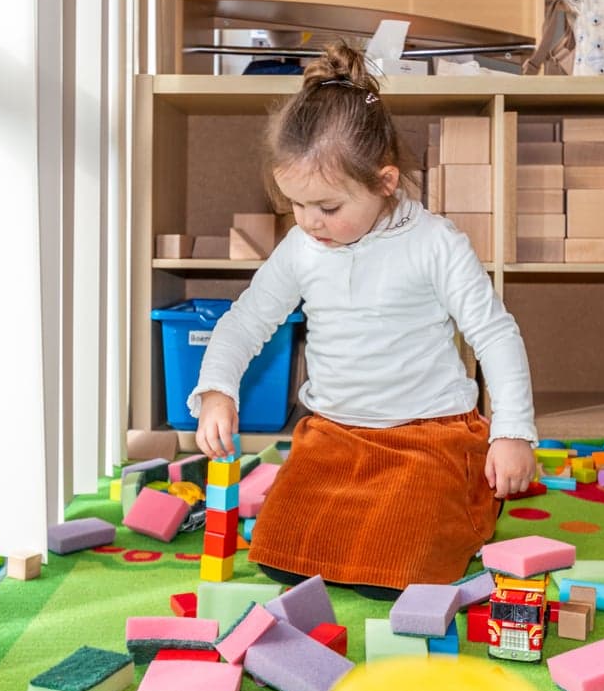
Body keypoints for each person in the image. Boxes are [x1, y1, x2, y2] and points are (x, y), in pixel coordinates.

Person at [188, 40, 538, 599]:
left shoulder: (434, 244)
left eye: (328, 208)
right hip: (334, 434)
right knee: (281, 557)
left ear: (386, 182)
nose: (309, 222)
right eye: (295, 205)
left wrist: (513, 432)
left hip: (427, 435)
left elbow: (495, 333)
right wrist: (216, 389)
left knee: (397, 575)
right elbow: (245, 321)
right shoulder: (302, 247)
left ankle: (471, 501)